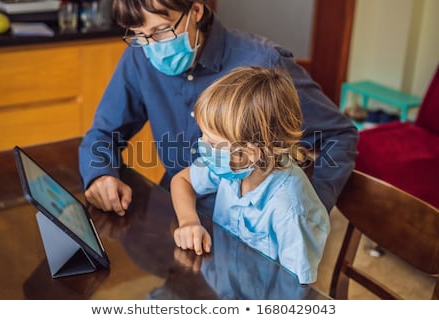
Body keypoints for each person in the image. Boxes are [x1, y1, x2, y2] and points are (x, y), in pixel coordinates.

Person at [79, 0, 358, 217]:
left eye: (161, 32)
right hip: (178, 209)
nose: (152, 47)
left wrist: (312, 209)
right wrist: (100, 174)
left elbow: (340, 136)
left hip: (249, 230)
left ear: (196, 10)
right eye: (140, 35)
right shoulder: (140, 56)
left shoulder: (264, 62)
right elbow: (103, 133)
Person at [171, 66, 330, 284]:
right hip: (223, 284)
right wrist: (189, 221)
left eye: (213, 142)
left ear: (253, 152)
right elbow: (182, 180)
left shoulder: (290, 210)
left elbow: (297, 290)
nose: (202, 145)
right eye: (203, 135)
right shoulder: (232, 165)